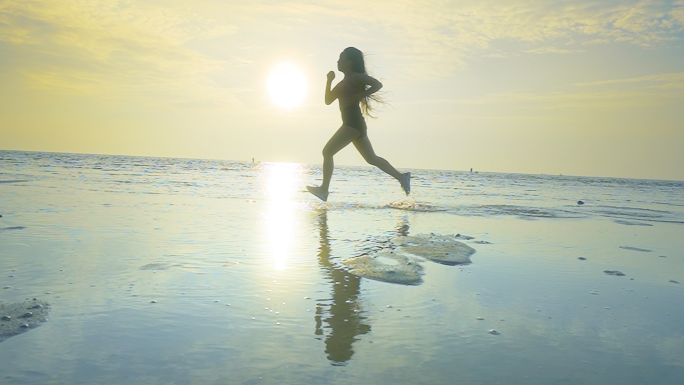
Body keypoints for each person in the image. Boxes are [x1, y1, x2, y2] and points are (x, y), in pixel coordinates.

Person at [307, 47, 410, 202]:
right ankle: (401, 177)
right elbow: (328, 100)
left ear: (349, 62)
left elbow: (377, 84)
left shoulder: (356, 77)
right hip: (354, 124)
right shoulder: (342, 82)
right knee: (371, 159)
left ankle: (324, 190)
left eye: (341, 58)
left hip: (352, 122)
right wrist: (329, 81)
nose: (338, 61)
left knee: (327, 152)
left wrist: (362, 95)